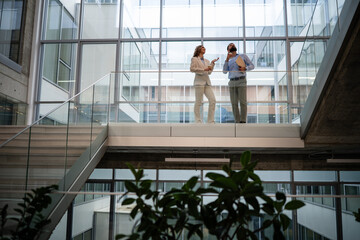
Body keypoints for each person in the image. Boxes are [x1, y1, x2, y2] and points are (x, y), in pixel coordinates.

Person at [223, 43, 254, 123]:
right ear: (228, 50)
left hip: (241, 80)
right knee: (234, 103)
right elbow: (224, 71)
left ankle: (243, 120)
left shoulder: (242, 56)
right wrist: (227, 59)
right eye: (230, 45)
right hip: (232, 82)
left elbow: (252, 65)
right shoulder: (228, 59)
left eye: (233, 45)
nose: (232, 45)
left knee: (243, 102)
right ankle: (237, 121)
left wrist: (245, 68)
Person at [190, 45, 219, 123]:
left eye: (205, 48)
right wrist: (203, 69)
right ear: (198, 49)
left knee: (213, 100)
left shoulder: (206, 60)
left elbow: (209, 72)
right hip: (199, 83)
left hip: (207, 82)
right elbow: (192, 69)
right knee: (198, 102)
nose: (204, 49)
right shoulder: (194, 59)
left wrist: (212, 63)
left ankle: (210, 121)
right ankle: (198, 121)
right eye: (203, 47)